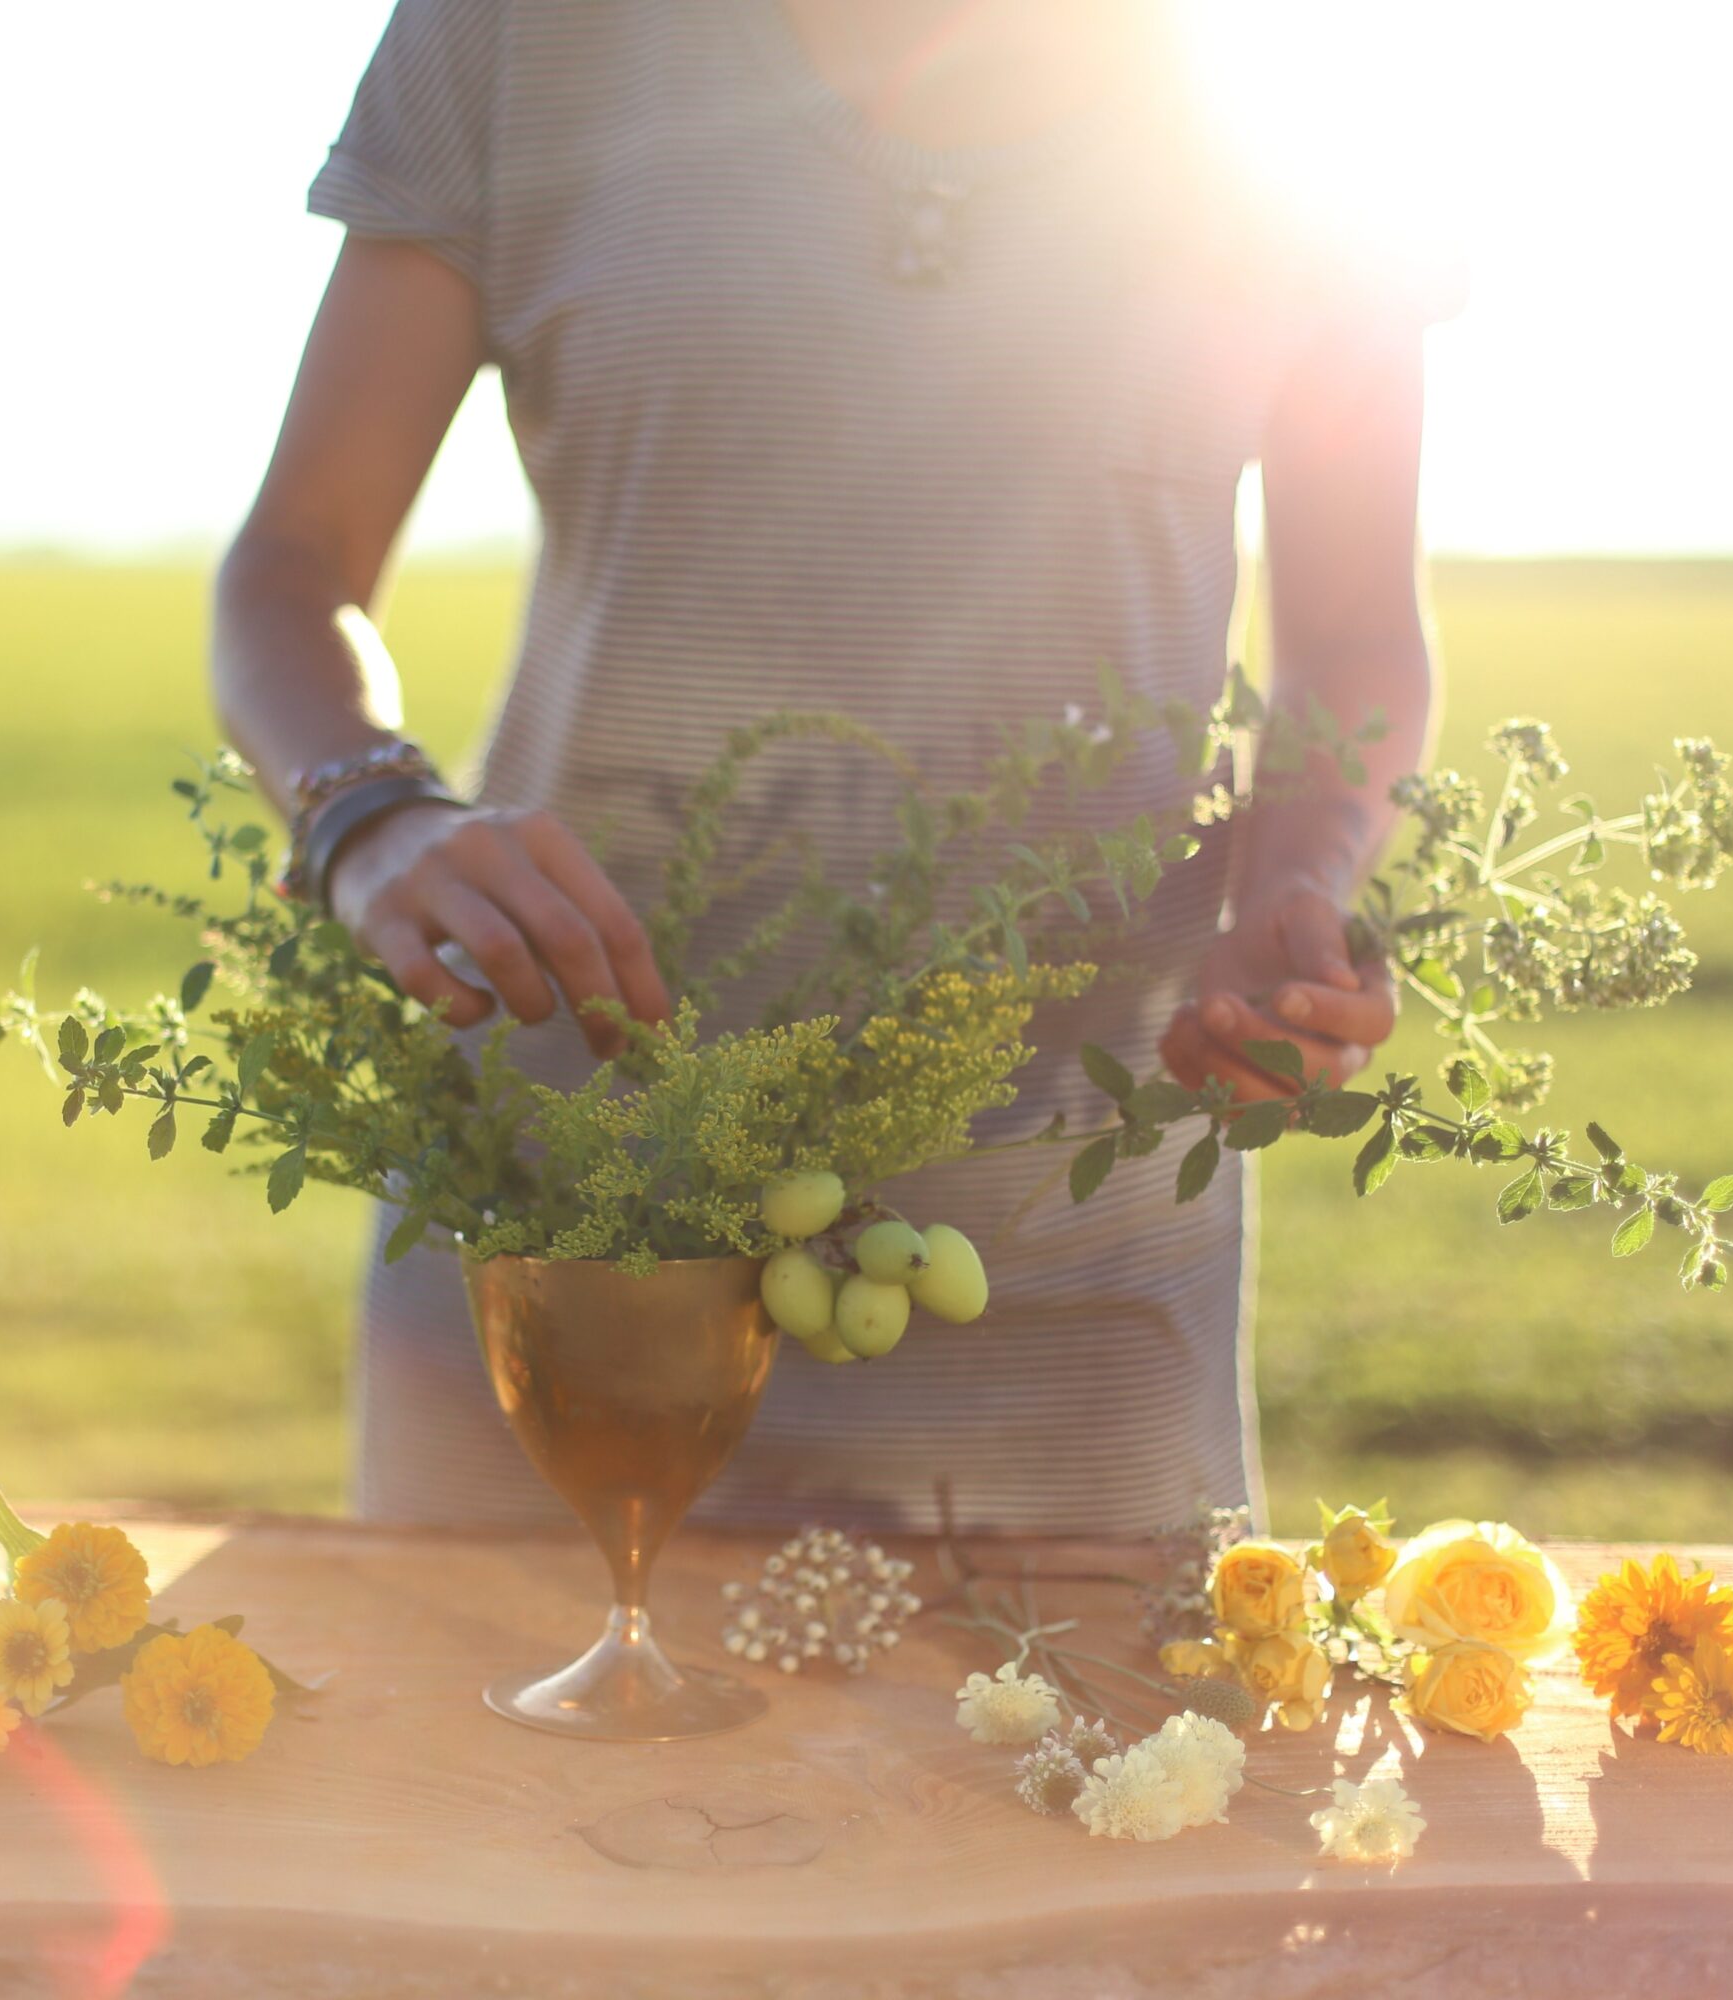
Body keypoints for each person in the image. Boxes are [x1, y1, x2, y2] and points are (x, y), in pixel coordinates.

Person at [211, 0, 1451, 1535]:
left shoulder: (1293, 89)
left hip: (1065, 1280)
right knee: (500, 1774)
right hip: (567, 1239)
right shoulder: (527, 36)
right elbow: (293, 563)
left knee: (1098, 1772)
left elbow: (1356, 640)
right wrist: (371, 811)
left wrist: (1296, 883)